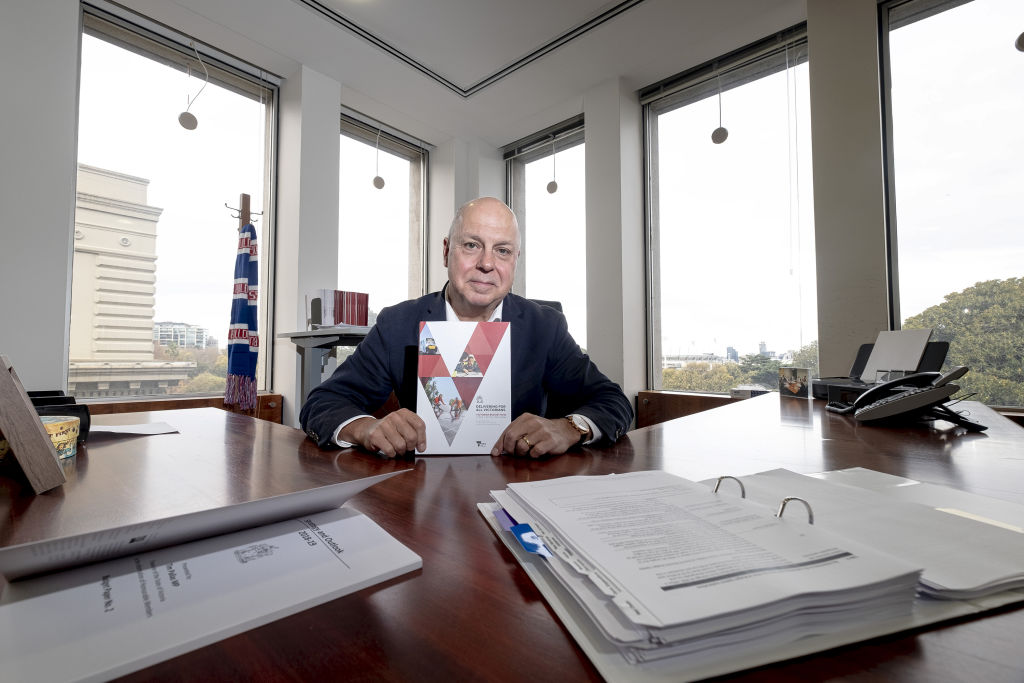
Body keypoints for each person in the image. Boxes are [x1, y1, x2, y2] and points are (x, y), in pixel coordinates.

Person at [299, 196, 633, 458]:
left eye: (502, 251)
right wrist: (366, 429)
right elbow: (322, 404)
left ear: (515, 260)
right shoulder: (398, 323)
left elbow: (612, 401)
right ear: (447, 251)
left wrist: (571, 427)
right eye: (472, 245)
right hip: (420, 492)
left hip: (518, 486)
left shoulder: (544, 327)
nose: (487, 263)